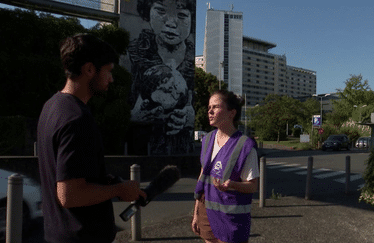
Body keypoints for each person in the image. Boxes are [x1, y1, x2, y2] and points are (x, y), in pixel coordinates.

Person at [37, 33, 146, 243]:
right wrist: (119, 190)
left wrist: (105, 181)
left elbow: (68, 172)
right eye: (108, 71)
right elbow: (69, 195)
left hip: (57, 234)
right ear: (89, 69)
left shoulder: (52, 106)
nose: (111, 78)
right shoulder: (77, 119)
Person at [192, 90, 260, 243]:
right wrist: (196, 212)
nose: (209, 111)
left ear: (231, 113)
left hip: (231, 216)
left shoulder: (245, 145)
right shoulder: (207, 140)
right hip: (206, 210)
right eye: (209, 106)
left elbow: (253, 186)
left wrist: (233, 185)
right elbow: (203, 177)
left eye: (215, 107)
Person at [128, 0, 195, 143]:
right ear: (148, 12)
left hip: (179, 146)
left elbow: (191, 103)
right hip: (139, 144)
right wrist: (132, 116)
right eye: (161, 11)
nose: (171, 23)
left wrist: (188, 116)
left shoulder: (191, 60)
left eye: (182, 15)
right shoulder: (133, 52)